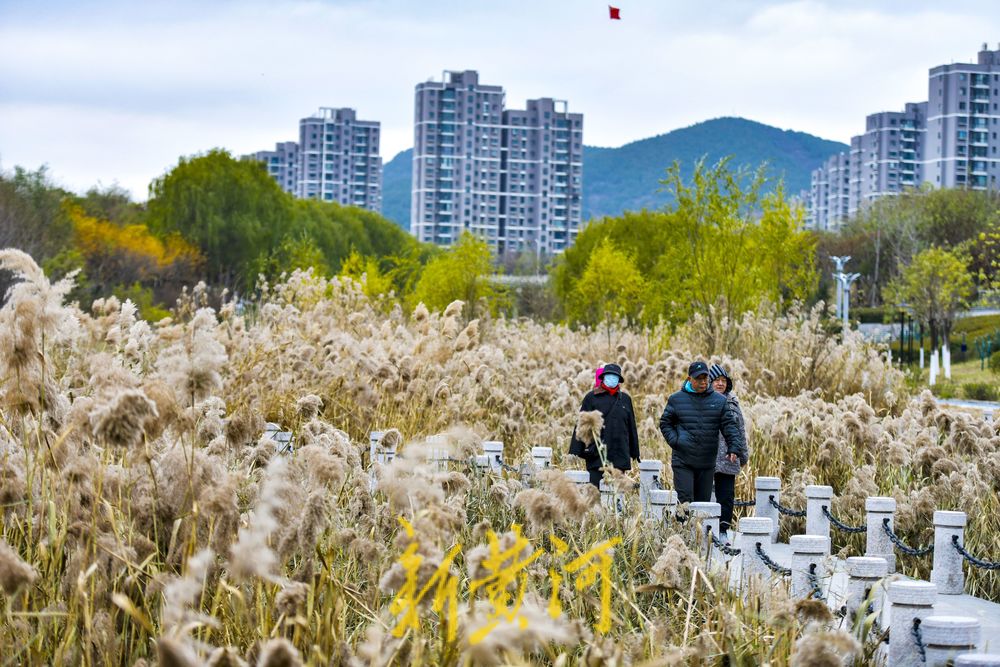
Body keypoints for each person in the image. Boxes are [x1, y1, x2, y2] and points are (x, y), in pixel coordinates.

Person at [659, 361, 745, 505]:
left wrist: (734, 447)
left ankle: (700, 529)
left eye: (705, 378)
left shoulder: (719, 401)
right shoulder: (676, 399)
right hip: (683, 461)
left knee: (702, 506)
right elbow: (665, 423)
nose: (703, 381)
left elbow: (729, 425)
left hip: (706, 462)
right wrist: (676, 441)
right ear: (689, 379)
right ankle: (683, 528)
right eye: (699, 378)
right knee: (685, 502)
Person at [569, 363, 641, 487]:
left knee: (617, 495)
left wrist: (635, 452)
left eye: (615, 376)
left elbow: (631, 427)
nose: (612, 378)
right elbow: (581, 424)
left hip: (619, 454)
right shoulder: (591, 397)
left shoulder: (625, 399)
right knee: (595, 492)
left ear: (619, 380)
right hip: (596, 454)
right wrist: (576, 450)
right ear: (603, 377)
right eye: (609, 375)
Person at [707, 364, 749, 543]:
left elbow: (740, 430)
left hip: (727, 457)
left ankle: (723, 530)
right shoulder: (702, 401)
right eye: (716, 380)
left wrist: (742, 454)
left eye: (723, 381)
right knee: (705, 494)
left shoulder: (732, 402)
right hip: (706, 456)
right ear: (709, 382)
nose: (720, 384)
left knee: (726, 496)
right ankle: (707, 528)